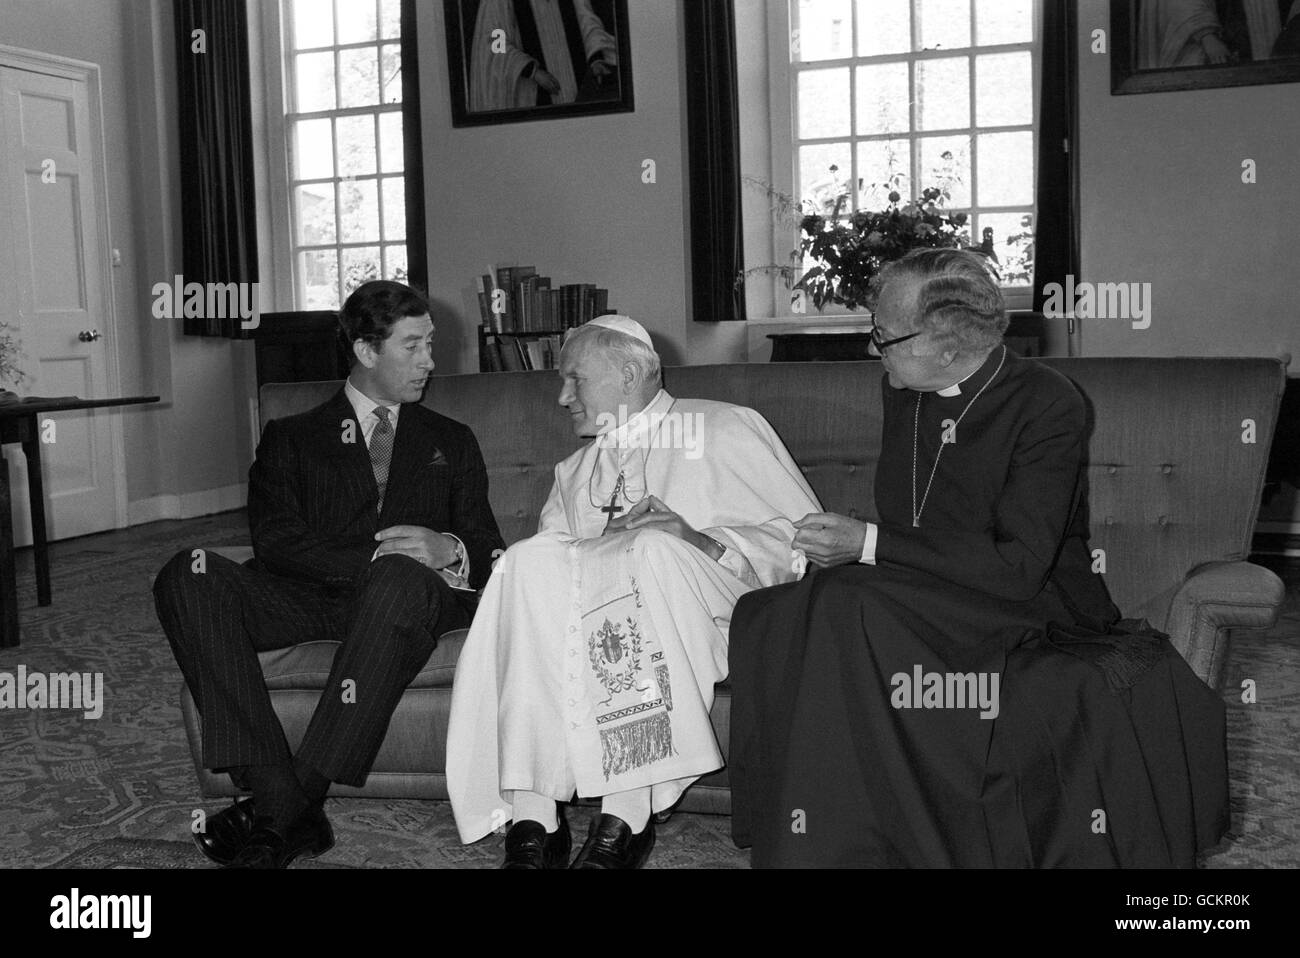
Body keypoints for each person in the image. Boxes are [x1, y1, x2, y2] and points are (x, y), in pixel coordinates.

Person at [728, 249, 1229, 868]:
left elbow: (1020, 565)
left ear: (947, 346)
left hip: (1029, 600)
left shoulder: (1049, 403)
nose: (871, 351)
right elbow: (916, 520)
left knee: (841, 604)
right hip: (925, 590)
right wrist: (857, 548)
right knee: (769, 615)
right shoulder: (905, 386)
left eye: (881, 337)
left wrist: (868, 544)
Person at [446, 315, 821, 868]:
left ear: (627, 373)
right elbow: (545, 591)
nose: (561, 397)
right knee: (527, 559)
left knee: (649, 549)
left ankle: (627, 814)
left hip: (706, 612)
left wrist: (696, 538)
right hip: (602, 624)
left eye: (575, 379)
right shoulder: (575, 471)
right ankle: (535, 820)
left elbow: (802, 542)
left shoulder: (722, 427)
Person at [154, 280, 504, 868]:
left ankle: (280, 807)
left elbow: (492, 548)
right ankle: (285, 801)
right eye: (413, 346)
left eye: (430, 345)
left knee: (396, 579)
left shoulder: (453, 440)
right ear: (367, 350)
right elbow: (276, 540)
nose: (430, 361)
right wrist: (367, 561)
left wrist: (447, 548)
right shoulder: (291, 436)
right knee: (186, 573)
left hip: (412, 602)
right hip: (312, 598)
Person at [468, 0, 618, 111]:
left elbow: (587, 22)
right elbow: (494, 41)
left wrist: (595, 59)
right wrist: (533, 72)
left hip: (579, 90)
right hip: (531, 95)